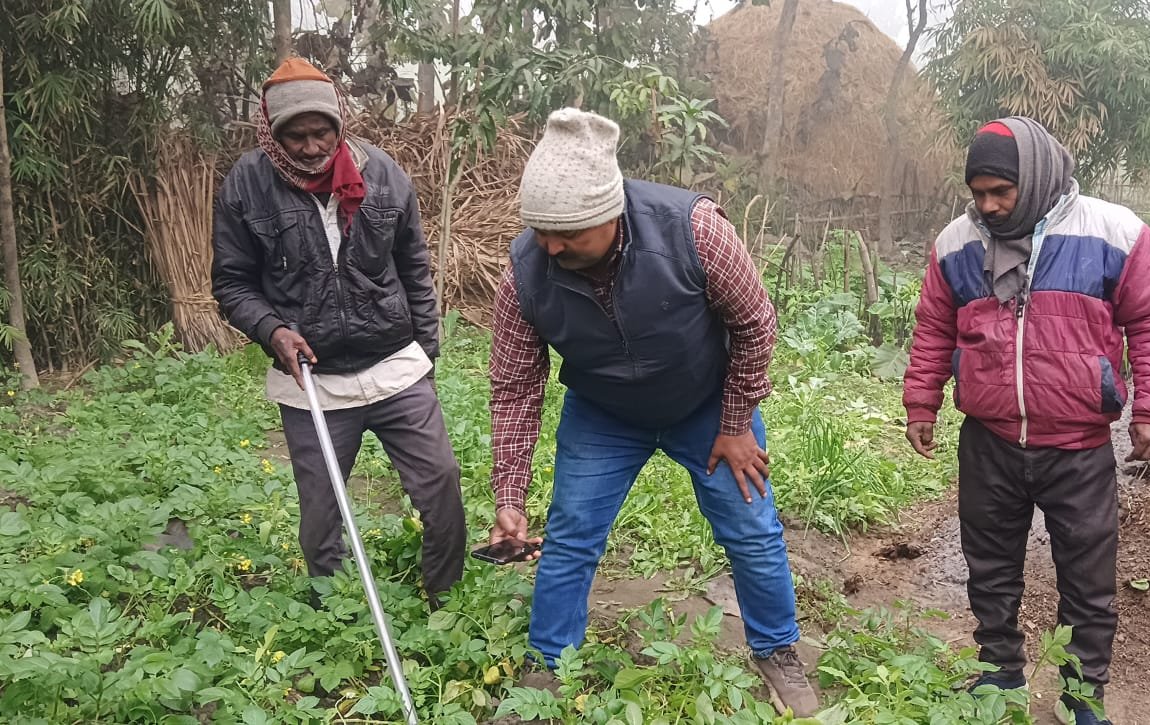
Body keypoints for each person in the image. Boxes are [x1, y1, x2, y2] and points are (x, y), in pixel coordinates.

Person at [485, 107, 819, 716]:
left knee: (751, 531)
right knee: (570, 537)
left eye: (570, 234)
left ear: (609, 213)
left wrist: (737, 421)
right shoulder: (524, 273)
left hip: (706, 402)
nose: (552, 247)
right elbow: (514, 385)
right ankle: (548, 663)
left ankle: (776, 651)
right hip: (604, 412)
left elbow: (755, 324)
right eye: (541, 232)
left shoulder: (693, 229)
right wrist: (509, 496)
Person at [903, 117, 1150, 725]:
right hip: (990, 440)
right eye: (979, 193)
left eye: (1001, 191)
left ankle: (1082, 697)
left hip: (1078, 446)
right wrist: (922, 401)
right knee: (990, 566)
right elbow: (933, 328)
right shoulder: (957, 242)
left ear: (1033, 179)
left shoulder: (1114, 232)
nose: (989, 205)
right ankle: (1000, 673)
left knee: (1087, 579)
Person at [211, 58, 465, 608]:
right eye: (294, 136)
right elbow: (232, 284)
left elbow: (414, 269)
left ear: (338, 124)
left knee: (440, 483)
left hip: (396, 363)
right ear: (271, 133)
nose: (309, 146)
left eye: (320, 131)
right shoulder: (246, 187)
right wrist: (273, 331)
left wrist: (426, 353)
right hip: (312, 379)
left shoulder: (384, 176)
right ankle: (333, 607)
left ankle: (447, 595)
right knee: (322, 510)